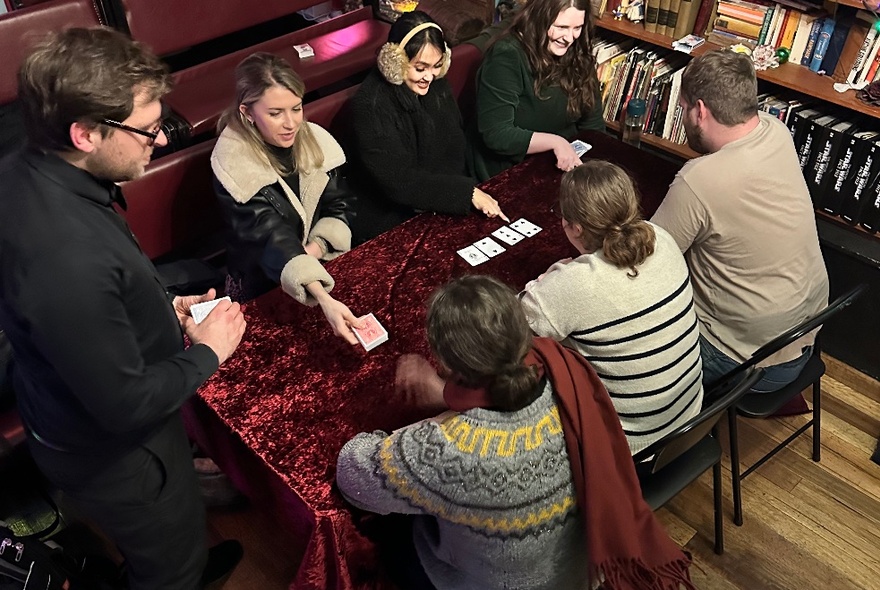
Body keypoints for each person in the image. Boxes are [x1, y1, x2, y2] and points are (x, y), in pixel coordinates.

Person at [0, 27, 246, 590]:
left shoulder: (31, 164)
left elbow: (103, 293)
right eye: (146, 130)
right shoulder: (65, 260)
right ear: (85, 133)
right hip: (119, 456)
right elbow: (125, 404)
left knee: (178, 533)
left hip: (78, 415)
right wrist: (208, 351)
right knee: (168, 566)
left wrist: (162, 305)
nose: (158, 141)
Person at [337, 275, 694, 590]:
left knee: (386, 538)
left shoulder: (445, 447)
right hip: (582, 567)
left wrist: (429, 424)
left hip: (491, 581)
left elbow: (352, 475)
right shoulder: (563, 369)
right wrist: (446, 396)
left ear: (445, 363)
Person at [651, 49, 829, 392]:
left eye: (684, 108)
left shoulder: (700, 179)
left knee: (628, 329)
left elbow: (646, 259)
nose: (684, 115)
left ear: (700, 111)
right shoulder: (776, 130)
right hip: (807, 334)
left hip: (746, 364)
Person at [520, 161, 703, 455]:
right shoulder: (662, 238)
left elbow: (512, 322)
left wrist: (555, 273)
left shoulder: (576, 283)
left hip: (635, 447)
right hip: (691, 419)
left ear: (575, 228)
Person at [212, 52, 362, 343]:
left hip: (315, 267)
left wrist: (317, 250)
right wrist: (322, 296)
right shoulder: (232, 162)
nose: (291, 123)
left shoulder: (314, 139)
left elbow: (341, 204)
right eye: (275, 113)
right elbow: (270, 238)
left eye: (296, 108)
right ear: (247, 111)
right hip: (261, 287)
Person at [348, 11, 506, 245]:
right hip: (389, 218)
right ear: (395, 62)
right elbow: (399, 181)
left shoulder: (437, 85)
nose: (429, 77)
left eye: (436, 66)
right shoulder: (370, 105)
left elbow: (453, 147)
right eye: (420, 68)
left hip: (437, 201)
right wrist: (466, 193)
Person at [467, 0, 605, 181]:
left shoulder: (578, 52)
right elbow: (496, 134)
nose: (569, 38)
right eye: (561, 27)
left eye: (577, 27)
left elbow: (593, 125)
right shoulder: (507, 54)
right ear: (538, 18)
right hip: (510, 170)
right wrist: (556, 142)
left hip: (561, 163)